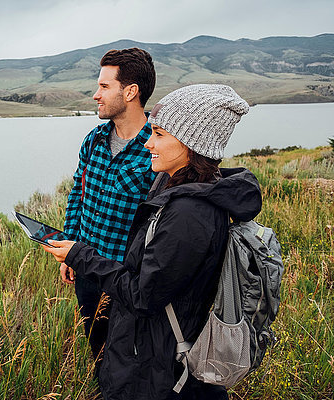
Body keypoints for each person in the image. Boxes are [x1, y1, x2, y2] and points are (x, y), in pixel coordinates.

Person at [45, 84, 261, 399]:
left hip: (160, 369)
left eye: (159, 134)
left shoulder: (190, 214)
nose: (148, 144)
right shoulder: (176, 187)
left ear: (192, 144)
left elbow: (144, 295)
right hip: (151, 352)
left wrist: (80, 255)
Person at [63, 48, 157, 362]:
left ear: (130, 92)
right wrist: (70, 249)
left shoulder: (156, 149)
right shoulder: (93, 140)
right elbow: (78, 193)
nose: (95, 95)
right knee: (97, 352)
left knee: (131, 360)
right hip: (87, 270)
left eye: (104, 87)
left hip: (127, 280)